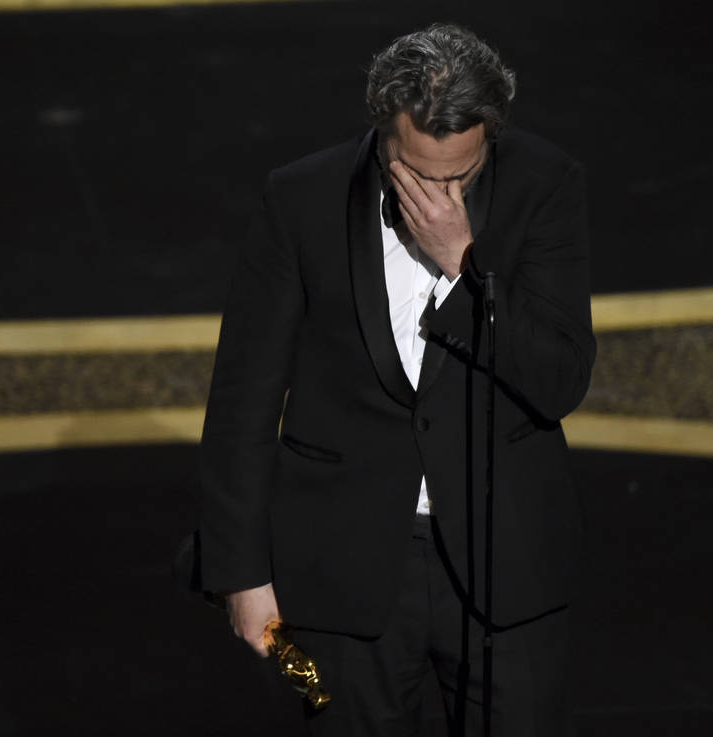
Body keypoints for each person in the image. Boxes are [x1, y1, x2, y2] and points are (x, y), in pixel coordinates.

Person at [198, 22, 596, 737]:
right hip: (333, 582)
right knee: (313, 707)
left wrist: (465, 266)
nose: (438, 196)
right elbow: (242, 401)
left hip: (510, 571)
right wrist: (241, 577)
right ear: (382, 129)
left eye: (460, 177)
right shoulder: (299, 198)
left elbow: (560, 381)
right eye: (415, 173)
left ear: (491, 136)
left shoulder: (548, 185)